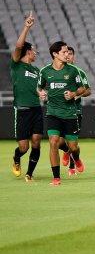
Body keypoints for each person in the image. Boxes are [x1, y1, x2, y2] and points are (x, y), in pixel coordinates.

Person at [37, 41, 86, 185]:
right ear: (55, 54)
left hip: (70, 114)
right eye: (64, 52)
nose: (67, 55)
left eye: (68, 52)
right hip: (52, 112)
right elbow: (40, 87)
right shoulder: (45, 71)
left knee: (73, 147)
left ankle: (75, 158)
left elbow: (82, 88)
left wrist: (73, 93)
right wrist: (41, 93)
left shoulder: (72, 71)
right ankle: (56, 178)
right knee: (53, 142)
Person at [10, 11, 43, 182]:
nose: (36, 53)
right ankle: (17, 159)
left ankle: (30, 173)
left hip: (36, 109)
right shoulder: (16, 65)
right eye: (34, 51)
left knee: (37, 140)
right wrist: (26, 27)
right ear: (28, 52)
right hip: (22, 110)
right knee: (23, 147)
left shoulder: (36, 71)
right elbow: (18, 46)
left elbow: (37, 88)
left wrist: (41, 93)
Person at [59, 46, 92, 176]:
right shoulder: (56, 71)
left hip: (75, 111)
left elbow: (88, 90)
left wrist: (78, 94)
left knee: (73, 142)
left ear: (74, 56)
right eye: (66, 53)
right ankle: (66, 151)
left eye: (71, 54)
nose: (68, 56)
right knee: (60, 142)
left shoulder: (79, 72)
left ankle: (72, 167)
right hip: (59, 111)